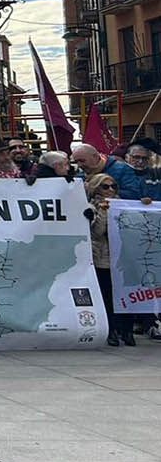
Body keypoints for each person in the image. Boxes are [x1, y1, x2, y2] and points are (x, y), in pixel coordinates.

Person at [85, 174, 134, 346]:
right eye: (105, 187)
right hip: (103, 258)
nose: (110, 190)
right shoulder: (90, 207)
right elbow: (97, 232)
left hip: (123, 258)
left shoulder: (123, 204)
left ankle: (127, 330)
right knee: (107, 295)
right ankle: (111, 329)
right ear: (95, 188)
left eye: (113, 186)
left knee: (126, 295)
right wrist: (104, 212)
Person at [71, 142, 141, 199]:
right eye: (76, 162)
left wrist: (104, 190)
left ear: (95, 156)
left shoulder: (122, 169)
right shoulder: (80, 176)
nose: (79, 165)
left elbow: (134, 194)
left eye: (82, 161)